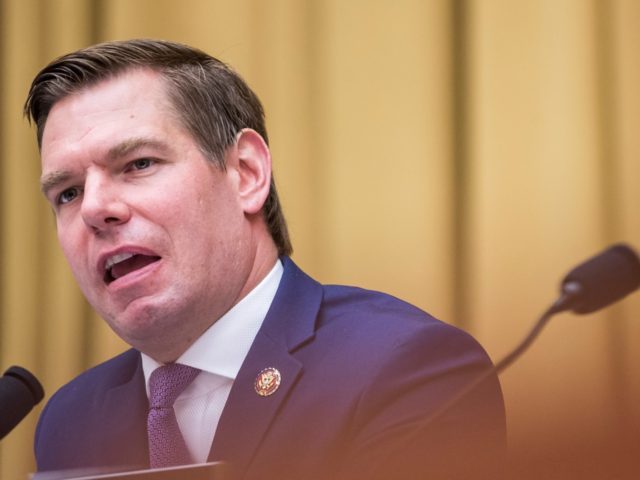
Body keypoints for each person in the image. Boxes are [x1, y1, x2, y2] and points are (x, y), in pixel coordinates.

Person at [24, 39, 506, 480]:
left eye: (138, 164)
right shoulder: (71, 421)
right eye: (67, 193)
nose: (93, 209)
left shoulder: (403, 370)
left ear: (247, 173)